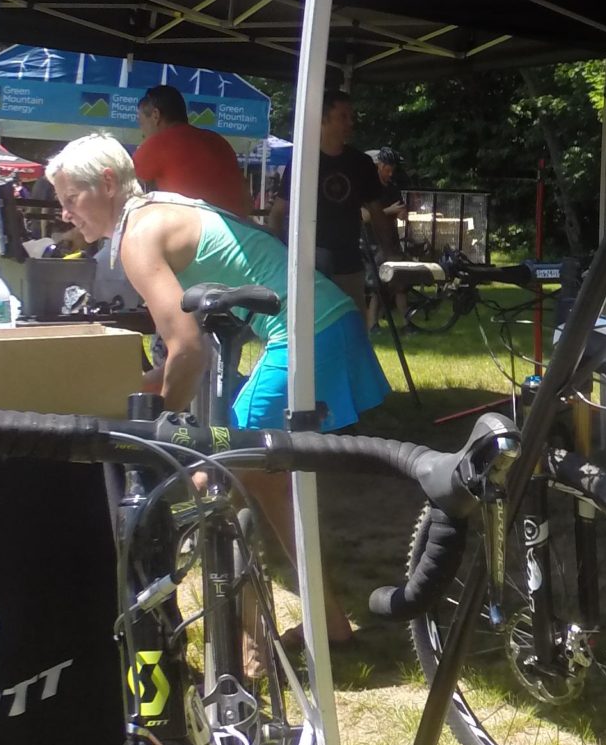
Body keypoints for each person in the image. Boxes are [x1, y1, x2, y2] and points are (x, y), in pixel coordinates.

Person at [44, 133, 391, 644]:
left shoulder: (138, 236)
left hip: (307, 330)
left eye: (71, 198)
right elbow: (184, 354)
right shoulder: (157, 209)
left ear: (110, 183)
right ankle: (323, 625)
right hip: (323, 320)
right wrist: (144, 392)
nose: (66, 213)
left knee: (217, 479)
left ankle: (246, 645)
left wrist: (159, 428)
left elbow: (188, 350)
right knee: (262, 483)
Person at [311, 91, 387, 313]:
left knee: (354, 327)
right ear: (323, 119)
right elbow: (279, 212)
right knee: (313, 329)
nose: (350, 122)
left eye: (350, 116)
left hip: (349, 262)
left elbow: (377, 211)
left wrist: (389, 250)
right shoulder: (303, 160)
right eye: (343, 116)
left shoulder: (361, 163)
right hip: (310, 265)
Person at [131, 83, 251, 217]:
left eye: (141, 123)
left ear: (155, 115)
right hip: (240, 230)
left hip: (197, 232)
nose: (142, 132)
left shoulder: (158, 143)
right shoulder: (218, 140)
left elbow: (123, 182)